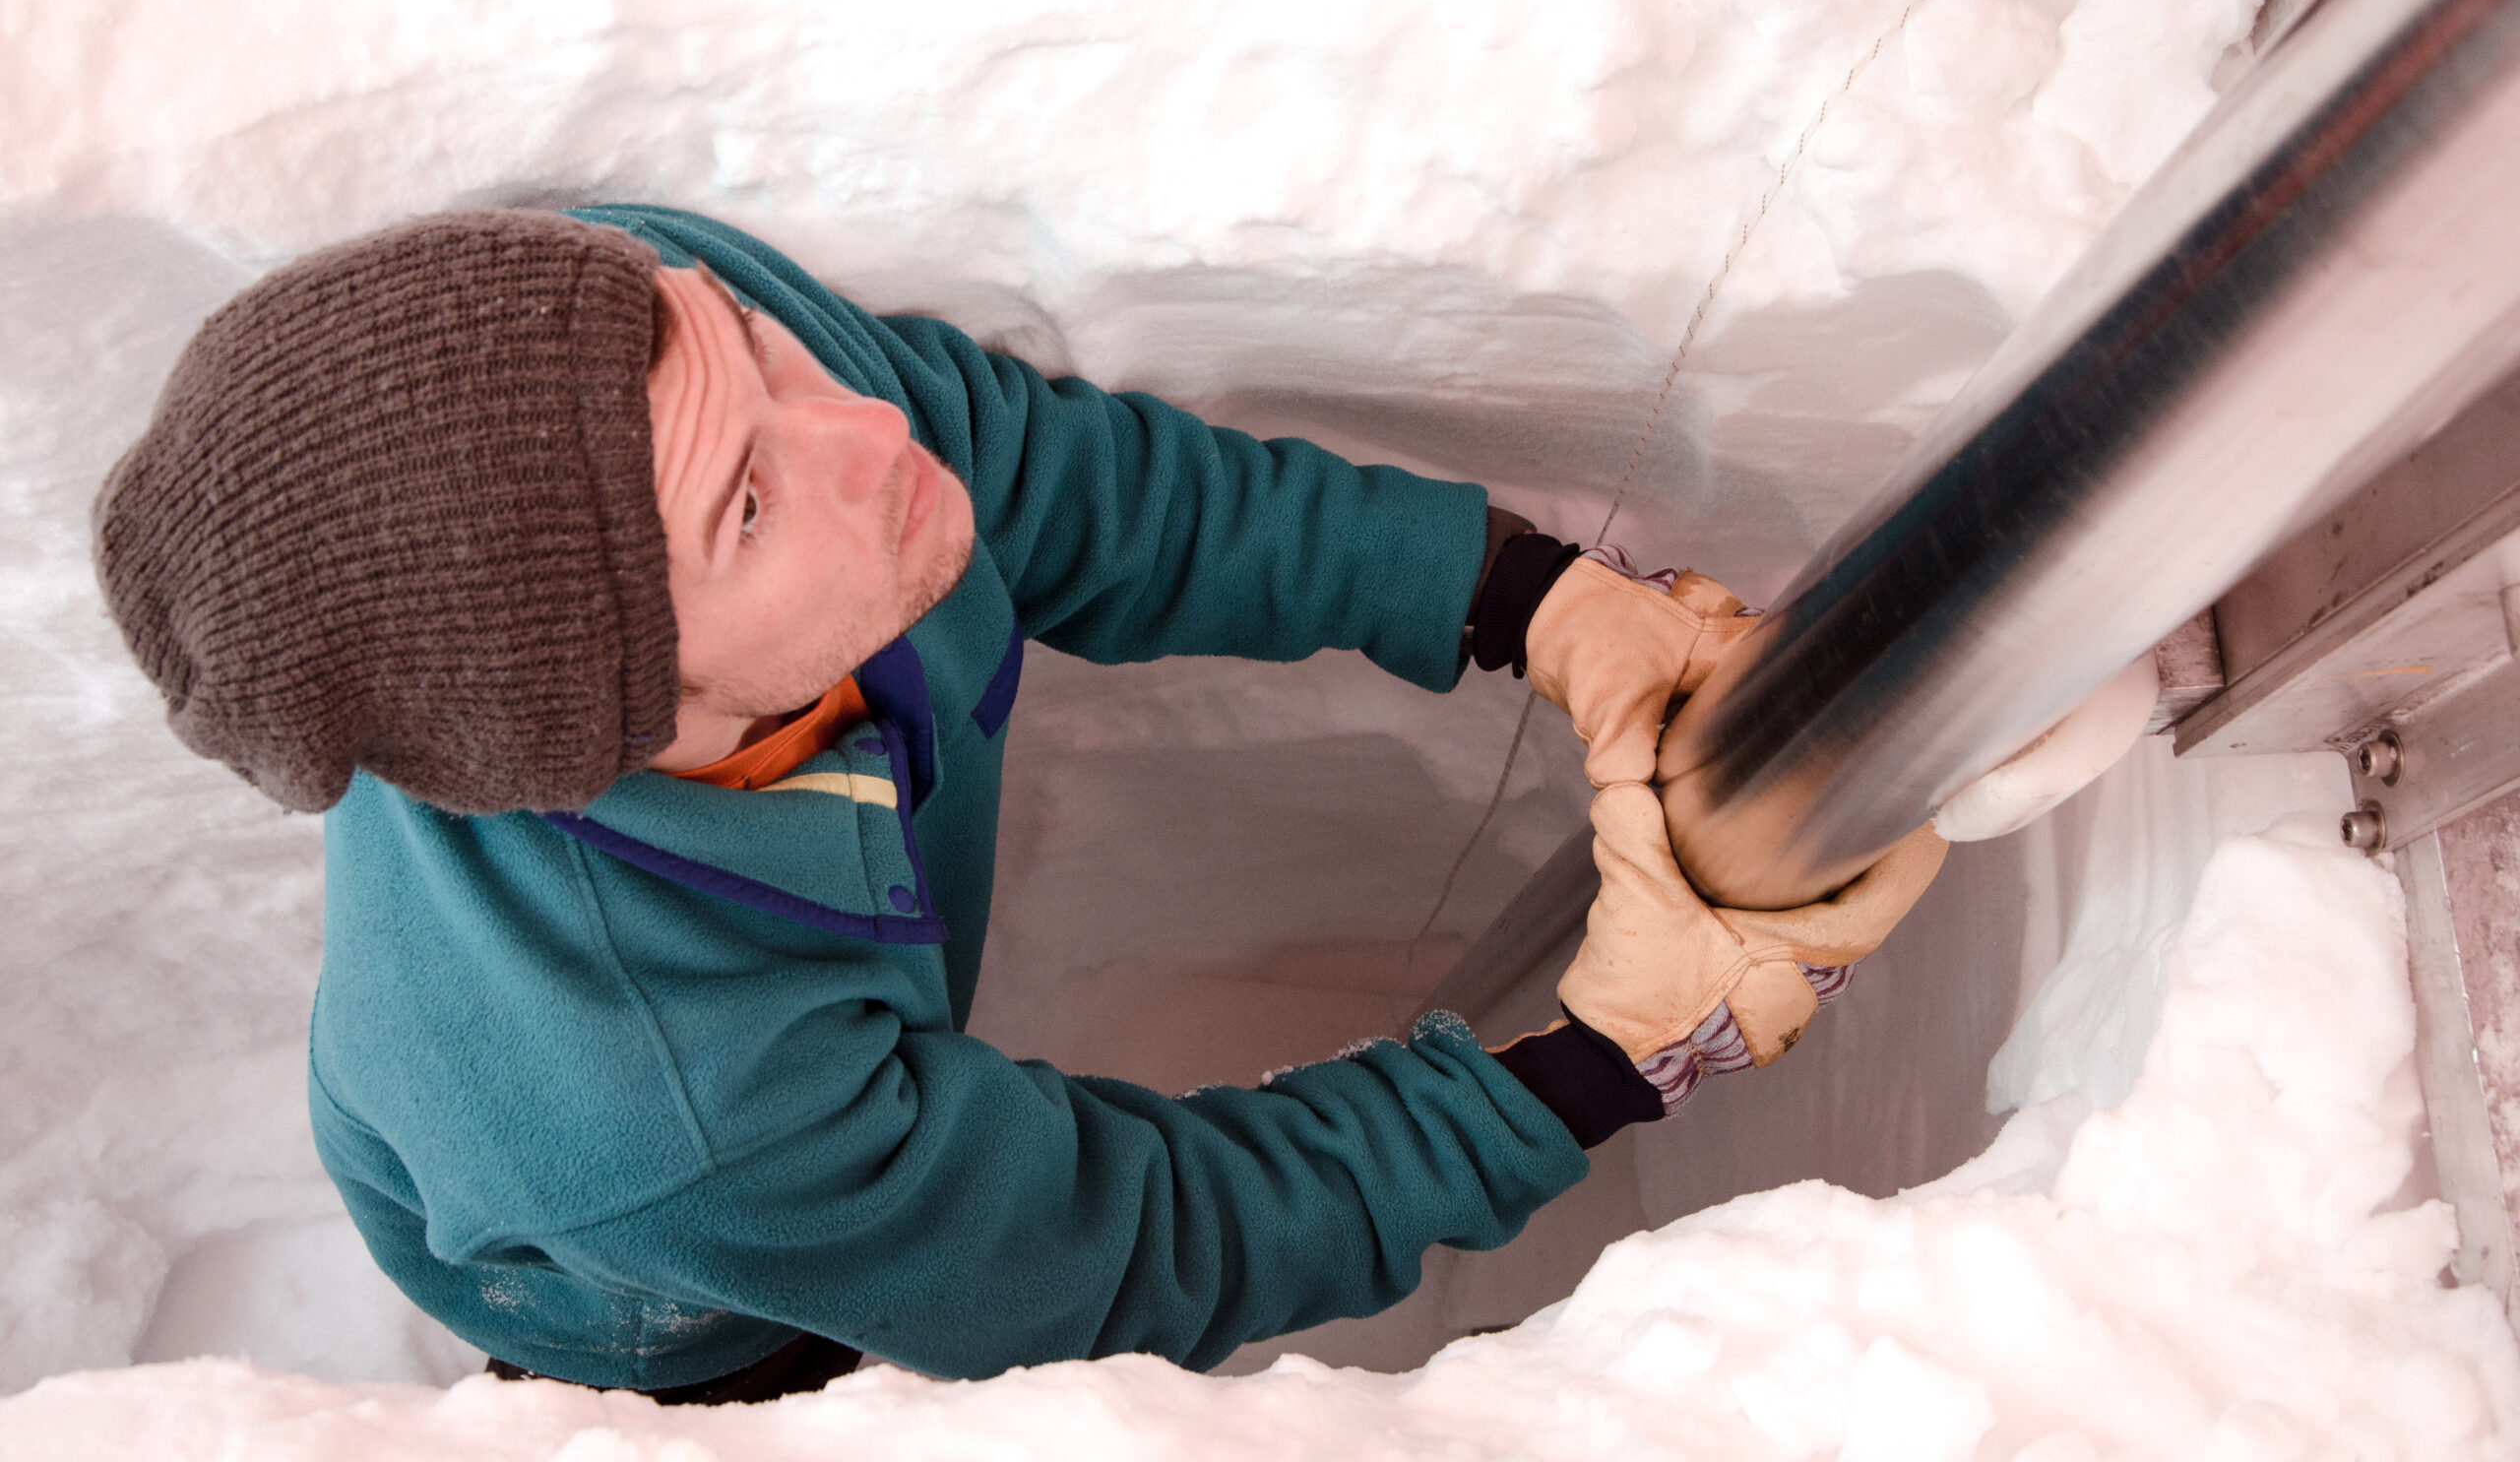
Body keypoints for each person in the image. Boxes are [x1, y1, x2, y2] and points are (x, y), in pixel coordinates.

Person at [92, 208, 1943, 1402]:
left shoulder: (658, 335)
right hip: (649, 1283)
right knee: (805, 1326)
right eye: (749, 504)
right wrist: (1607, 1061)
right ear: (608, 723)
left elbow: (1072, 486)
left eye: (767, 362)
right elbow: (1126, 1240)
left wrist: (1515, 591)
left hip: (733, 1073)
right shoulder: (676, 1117)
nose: (870, 430)